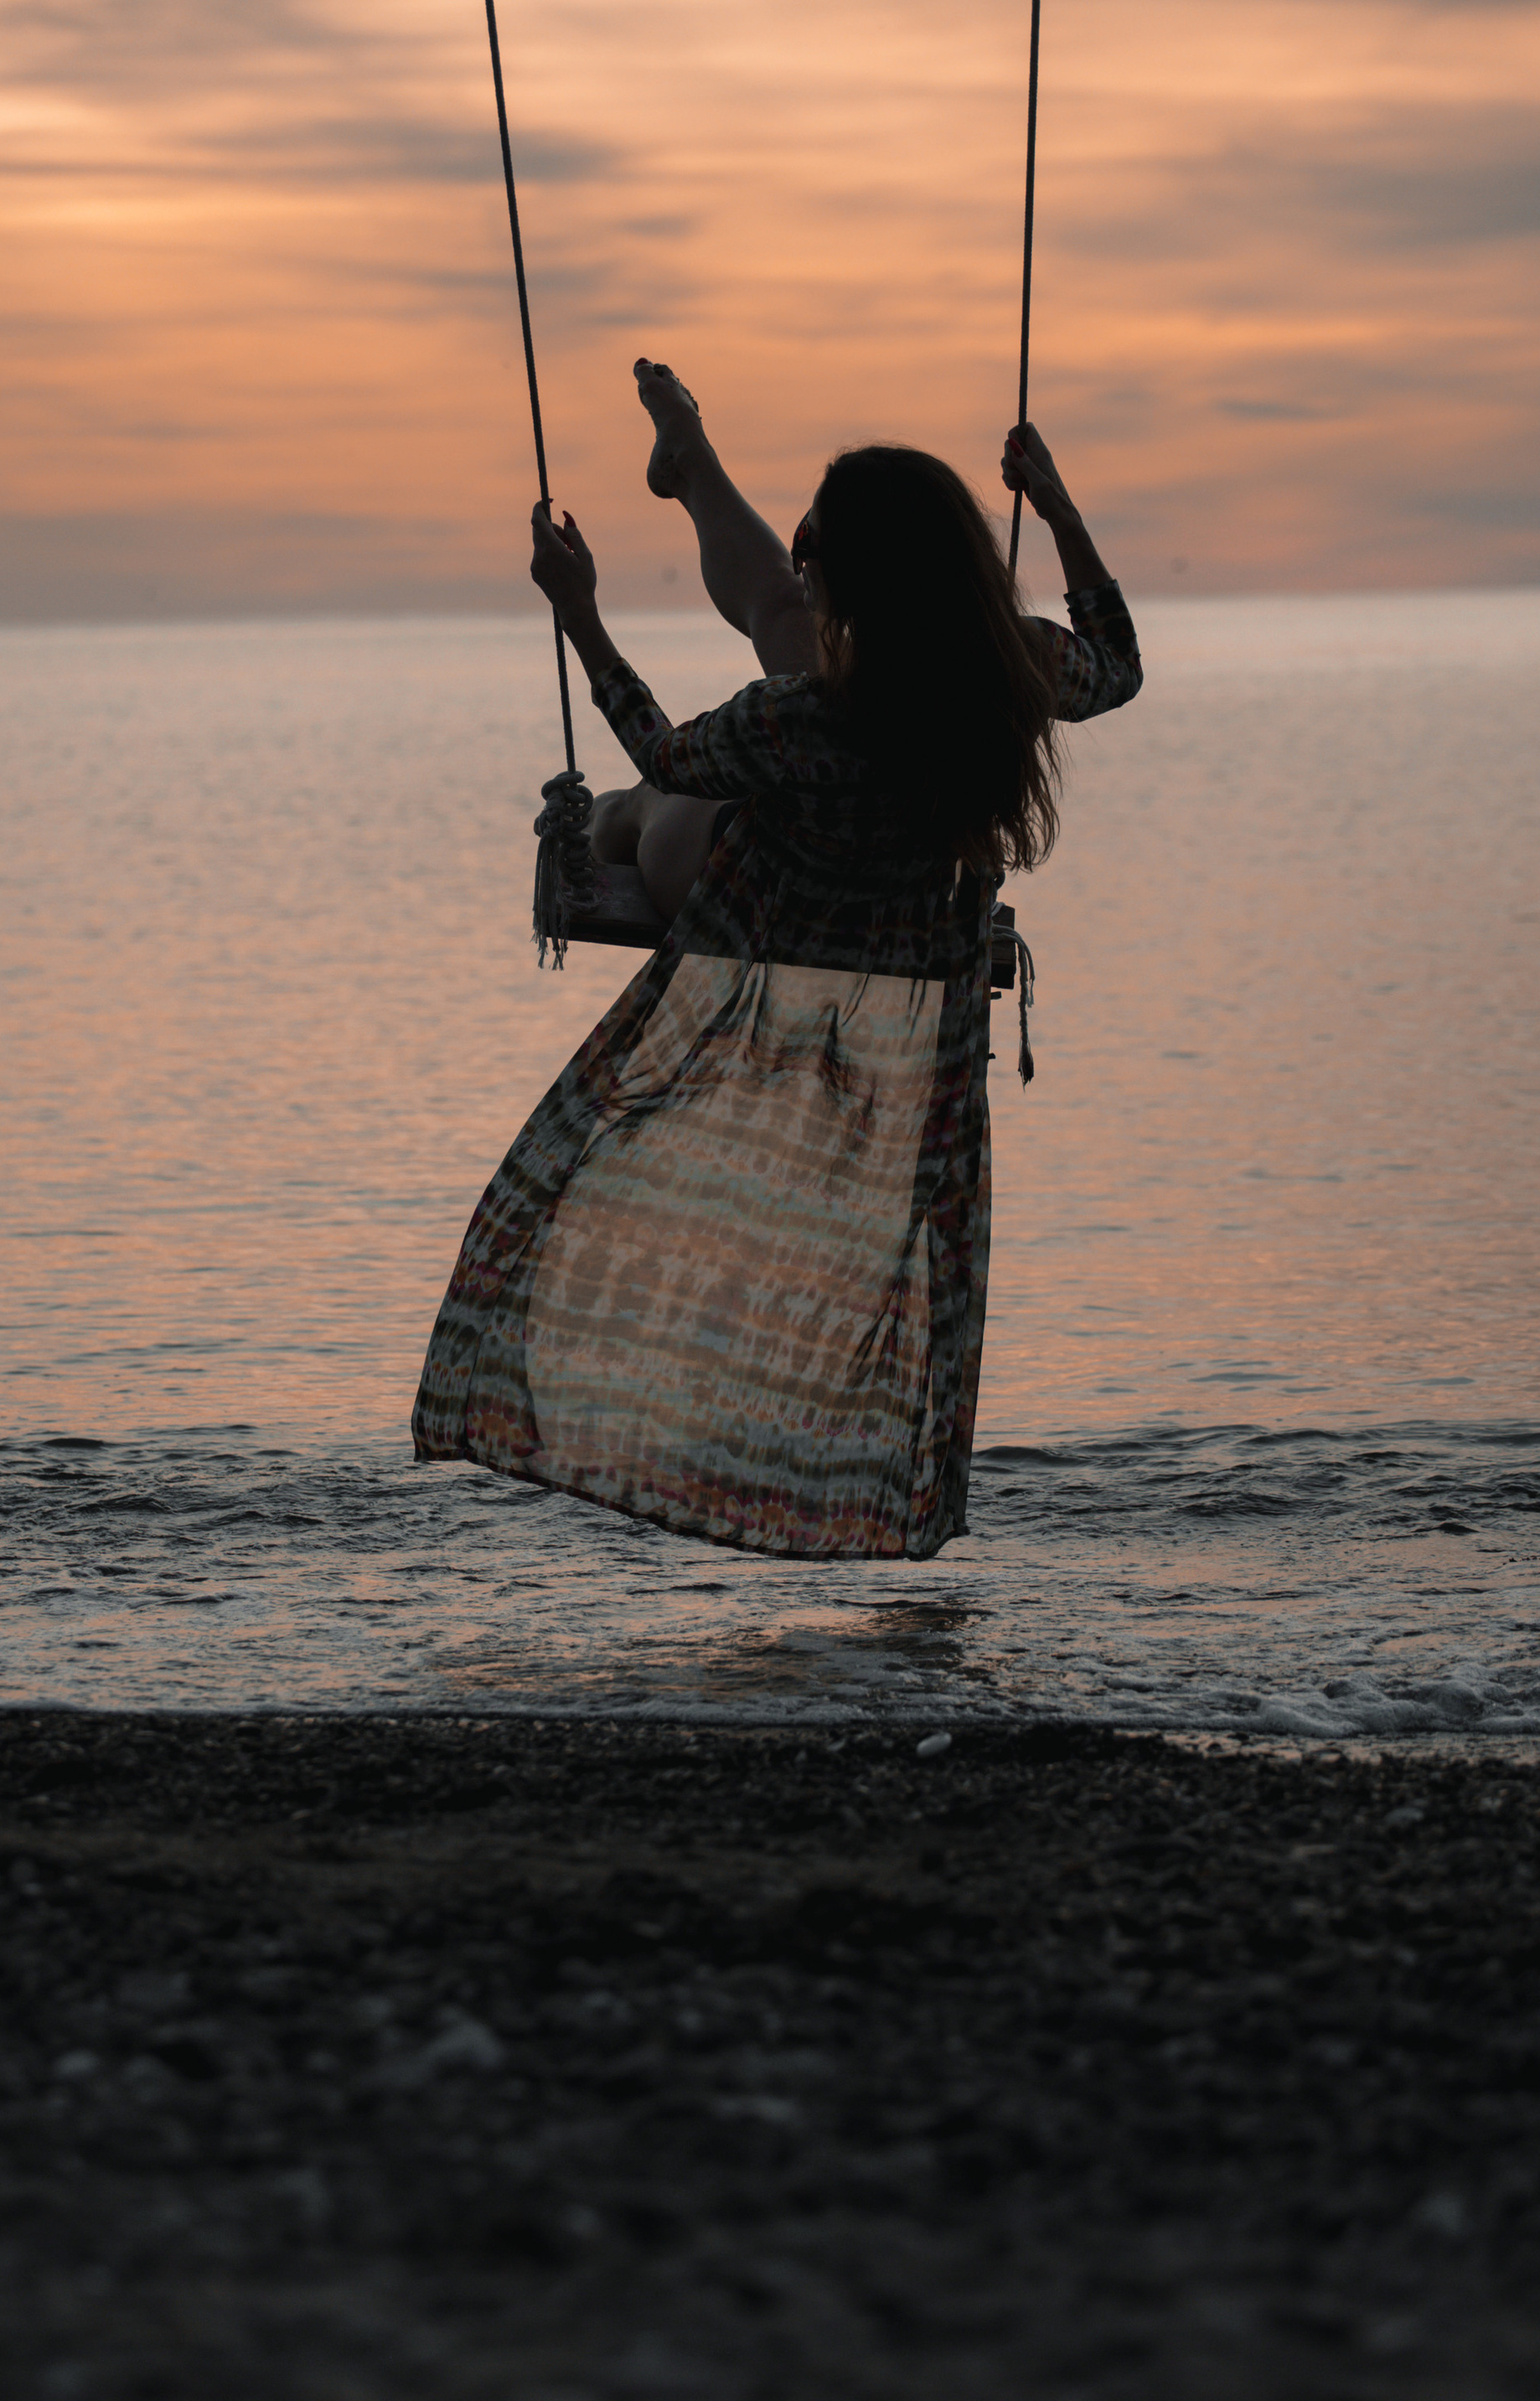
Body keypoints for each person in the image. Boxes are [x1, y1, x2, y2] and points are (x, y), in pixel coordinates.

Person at [412, 360, 1142, 1560]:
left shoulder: (796, 722)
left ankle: (609, 781)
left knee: (644, 809)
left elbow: (660, 739)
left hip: (753, 906)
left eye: (818, 552)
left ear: (855, 575)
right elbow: (1119, 661)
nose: (807, 566)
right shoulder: (1007, 674)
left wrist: (580, 611)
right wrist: (1056, 504)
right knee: (781, 636)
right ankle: (695, 470)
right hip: (902, 933)